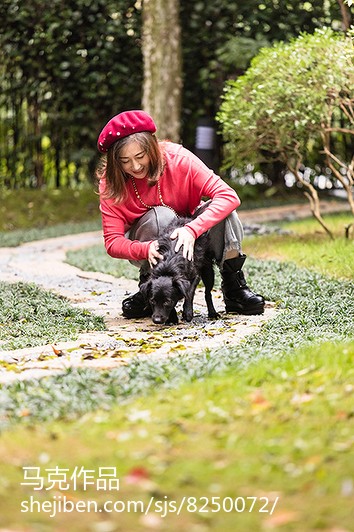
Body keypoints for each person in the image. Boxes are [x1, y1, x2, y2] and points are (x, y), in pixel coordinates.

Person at [96, 109, 265, 319]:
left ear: (152, 147)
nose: (136, 165)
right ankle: (150, 288)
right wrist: (145, 248)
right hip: (151, 244)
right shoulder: (110, 184)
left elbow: (228, 196)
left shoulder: (179, 158)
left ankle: (234, 287)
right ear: (115, 162)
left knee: (226, 213)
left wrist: (192, 230)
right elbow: (112, 242)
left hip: (193, 238)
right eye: (125, 161)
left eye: (140, 156)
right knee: (161, 216)